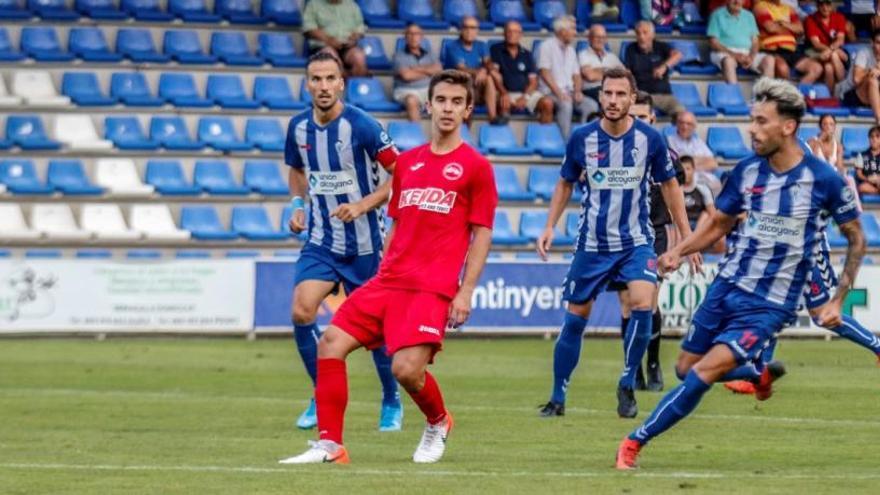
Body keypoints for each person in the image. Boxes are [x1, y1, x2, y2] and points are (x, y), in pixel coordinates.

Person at [616, 77, 865, 470]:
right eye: (752, 120)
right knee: (684, 368)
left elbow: (856, 239)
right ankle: (757, 374)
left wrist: (838, 299)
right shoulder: (747, 172)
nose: (752, 129)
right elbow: (718, 224)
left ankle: (634, 441)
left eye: (762, 121)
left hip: (769, 304)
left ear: (788, 127)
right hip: (727, 287)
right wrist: (678, 252)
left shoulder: (824, 179)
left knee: (701, 372)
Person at [279, 69, 498, 465]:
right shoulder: (409, 163)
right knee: (331, 343)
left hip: (432, 288)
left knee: (405, 370)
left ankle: (438, 421)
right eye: (441, 101)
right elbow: (396, 223)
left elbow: (481, 233)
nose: (447, 109)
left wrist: (465, 291)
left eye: (456, 102)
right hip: (388, 280)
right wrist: (382, 271)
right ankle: (331, 444)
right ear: (428, 106)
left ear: (468, 110)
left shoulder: (476, 167)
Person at [536, 67, 696, 420]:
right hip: (592, 244)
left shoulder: (650, 140)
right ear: (601, 96)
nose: (612, 100)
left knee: (642, 302)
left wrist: (687, 237)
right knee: (576, 318)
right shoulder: (582, 138)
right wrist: (549, 226)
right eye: (607, 93)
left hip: (636, 242)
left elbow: (670, 187)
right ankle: (557, 395)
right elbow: (565, 183)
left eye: (620, 94)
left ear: (632, 98)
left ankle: (627, 381)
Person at [282, 52, 402, 433]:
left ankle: (391, 400)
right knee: (302, 311)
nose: (322, 86)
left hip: (365, 244)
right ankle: (321, 393)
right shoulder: (298, 128)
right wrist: (297, 204)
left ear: (341, 84)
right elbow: (298, 171)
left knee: (377, 334)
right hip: (320, 240)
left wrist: (364, 204)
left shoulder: (363, 126)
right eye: (315, 79)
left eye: (330, 78)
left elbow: (401, 174)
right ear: (307, 84)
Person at [601, 90, 686, 394]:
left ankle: (653, 363)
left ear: (653, 119)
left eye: (642, 116)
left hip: (654, 234)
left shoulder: (665, 155)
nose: (635, 121)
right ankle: (632, 367)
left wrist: (681, 243)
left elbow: (675, 200)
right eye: (631, 115)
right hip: (620, 235)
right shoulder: (612, 152)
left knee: (648, 301)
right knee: (626, 305)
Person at [537, 15, 598, 138]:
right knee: (566, 105)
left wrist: (577, 91)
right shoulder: (546, 46)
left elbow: (576, 75)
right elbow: (545, 73)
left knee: (591, 105)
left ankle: (583, 139)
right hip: (550, 93)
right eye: (572, 29)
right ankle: (566, 144)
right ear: (562, 31)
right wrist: (559, 93)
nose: (575, 32)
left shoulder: (571, 50)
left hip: (569, 92)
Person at [489, 21, 554, 124]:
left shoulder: (527, 54)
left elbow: (533, 81)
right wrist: (503, 93)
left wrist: (525, 97)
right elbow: (494, 75)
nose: (511, 34)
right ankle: (503, 138)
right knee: (504, 104)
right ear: (504, 33)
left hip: (525, 93)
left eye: (515, 32)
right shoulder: (496, 50)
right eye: (509, 31)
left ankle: (543, 139)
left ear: (520, 35)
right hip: (505, 92)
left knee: (548, 103)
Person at [442, 16, 500, 124]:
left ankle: (493, 118)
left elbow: (488, 63)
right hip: (457, 87)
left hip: (477, 86)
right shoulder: (452, 47)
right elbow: (462, 68)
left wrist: (484, 70)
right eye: (466, 27)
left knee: (489, 78)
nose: (469, 31)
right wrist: (480, 71)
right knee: (469, 92)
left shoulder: (481, 45)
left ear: (477, 30)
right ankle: (464, 132)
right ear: (461, 29)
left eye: (473, 28)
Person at [623, 21, 685, 118]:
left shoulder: (661, 46)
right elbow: (627, 73)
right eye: (638, 33)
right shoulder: (631, 49)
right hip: (642, 96)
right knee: (634, 113)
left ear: (653, 35)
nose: (641, 37)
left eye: (645, 33)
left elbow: (678, 55)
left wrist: (664, 66)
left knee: (683, 115)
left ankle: (677, 133)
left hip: (665, 96)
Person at [754, 0, 823, 84]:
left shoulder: (789, 9)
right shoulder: (761, 6)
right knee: (783, 69)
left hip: (791, 50)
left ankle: (796, 94)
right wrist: (791, 27)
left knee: (817, 68)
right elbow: (771, 28)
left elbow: (800, 30)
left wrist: (782, 23)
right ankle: (787, 94)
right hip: (772, 50)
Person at [707, 0, 774, 83]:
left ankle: (765, 95)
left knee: (769, 60)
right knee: (728, 61)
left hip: (747, 52)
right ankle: (733, 94)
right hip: (724, 52)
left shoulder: (749, 16)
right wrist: (735, 55)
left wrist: (751, 57)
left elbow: (755, 42)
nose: (737, 1)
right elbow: (713, 43)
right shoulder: (717, 15)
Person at [302, 0, 369, 77]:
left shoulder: (352, 5)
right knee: (331, 57)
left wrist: (355, 36)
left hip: (348, 46)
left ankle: (355, 86)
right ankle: (343, 81)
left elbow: (360, 27)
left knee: (359, 57)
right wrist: (328, 40)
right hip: (323, 46)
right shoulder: (313, 5)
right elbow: (309, 28)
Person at [393, 24, 442, 122]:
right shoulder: (398, 56)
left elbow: (439, 70)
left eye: (416, 34)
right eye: (410, 34)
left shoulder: (430, 54)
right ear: (405, 37)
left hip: (428, 90)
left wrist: (415, 69)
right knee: (411, 100)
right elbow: (407, 76)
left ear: (421, 36)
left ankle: (441, 136)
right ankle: (418, 134)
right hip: (406, 90)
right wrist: (429, 72)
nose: (413, 37)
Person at [679, 155, 725, 253]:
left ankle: (716, 262)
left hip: (700, 226)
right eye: (682, 170)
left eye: (688, 169)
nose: (685, 173)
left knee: (707, 215)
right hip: (681, 225)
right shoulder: (676, 191)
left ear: (694, 170)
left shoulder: (702, 188)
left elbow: (712, 214)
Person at [804, 0, 849, 94]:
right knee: (832, 61)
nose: (825, 8)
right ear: (817, 5)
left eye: (827, 4)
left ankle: (832, 96)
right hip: (817, 51)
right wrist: (832, 51)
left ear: (832, 5)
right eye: (821, 4)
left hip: (834, 50)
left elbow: (840, 39)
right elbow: (816, 43)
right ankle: (843, 90)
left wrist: (831, 50)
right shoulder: (810, 19)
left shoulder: (839, 17)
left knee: (830, 65)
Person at [836, 31, 880, 124]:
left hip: (873, 97)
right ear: (872, 43)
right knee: (872, 80)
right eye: (878, 42)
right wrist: (873, 69)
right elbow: (856, 79)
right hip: (851, 95)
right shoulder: (864, 53)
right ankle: (879, 120)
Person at [578, 25, 624, 104]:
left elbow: (624, 73)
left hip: (611, 89)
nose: (600, 40)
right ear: (589, 38)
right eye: (597, 37)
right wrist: (612, 71)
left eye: (603, 37)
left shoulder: (612, 56)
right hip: (592, 90)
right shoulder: (583, 55)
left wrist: (598, 71)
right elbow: (590, 76)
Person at [855, 125, 880, 195]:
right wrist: (868, 179)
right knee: (861, 187)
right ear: (868, 139)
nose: (874, 139)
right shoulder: (861, 155)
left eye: (877, 137)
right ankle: (878, 191)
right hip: (868, 183)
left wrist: (878, 179)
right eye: (872, 137)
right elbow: (859, 174)